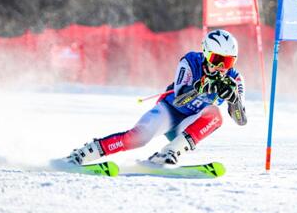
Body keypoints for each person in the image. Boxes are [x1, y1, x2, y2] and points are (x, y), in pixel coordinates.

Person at [64, 29, 247, 166]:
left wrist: (234, 100)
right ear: (206, 54)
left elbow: (241, 121)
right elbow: (179, 98)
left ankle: (167, 154)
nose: (222, 67)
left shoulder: (234, 79)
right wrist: (202, 86)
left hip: (188, 125)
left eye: (228, 62)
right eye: (217, 60)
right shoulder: (190, 62)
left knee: (215, 114)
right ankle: (84, 154)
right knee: (138, 138)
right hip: (169, 112)